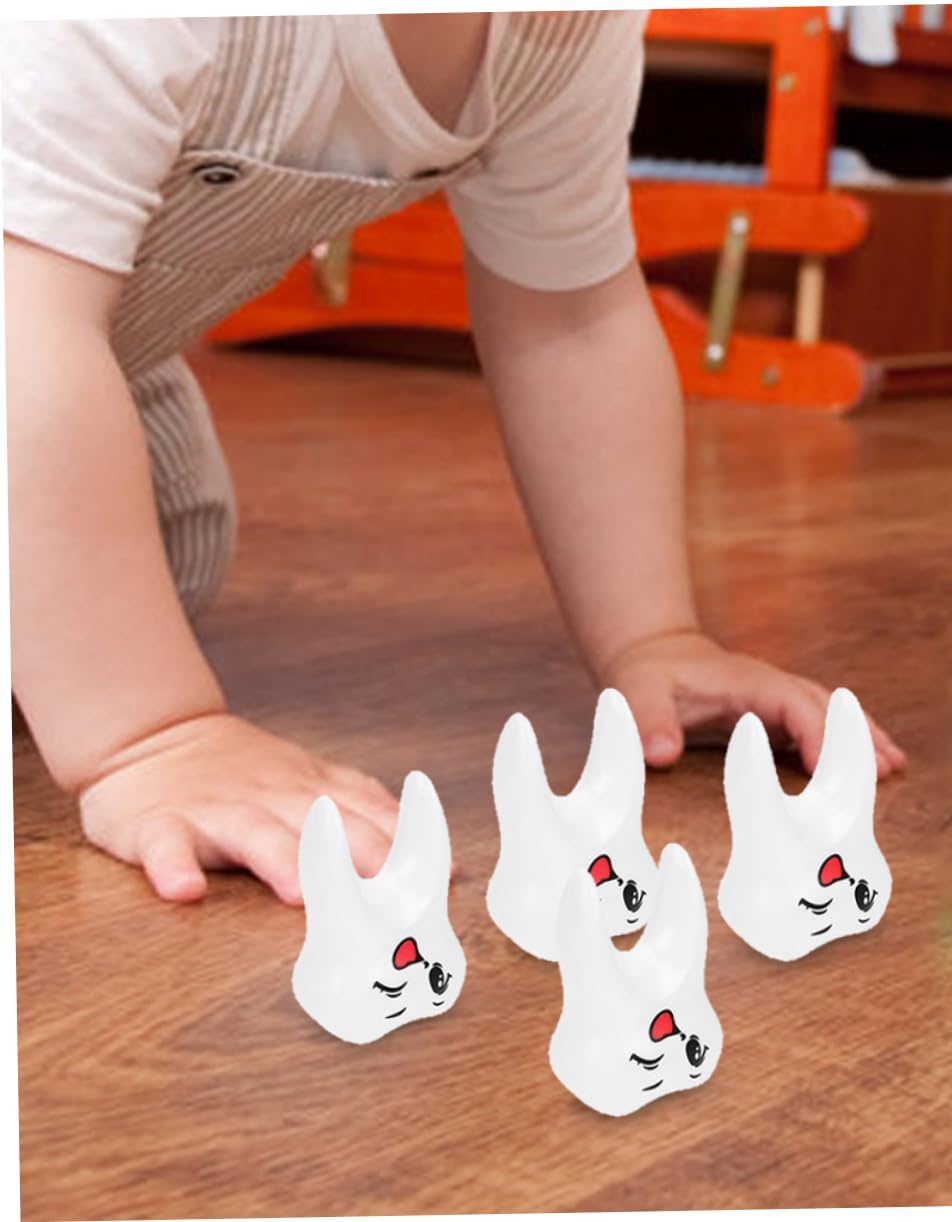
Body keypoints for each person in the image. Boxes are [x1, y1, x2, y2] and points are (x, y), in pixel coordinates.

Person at [3, 11, 905, 906]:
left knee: (171, 536)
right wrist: (151, 734)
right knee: (97, 629)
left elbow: (572, 316)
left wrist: (655, 638)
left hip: (92, 345)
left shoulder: (565, 31)